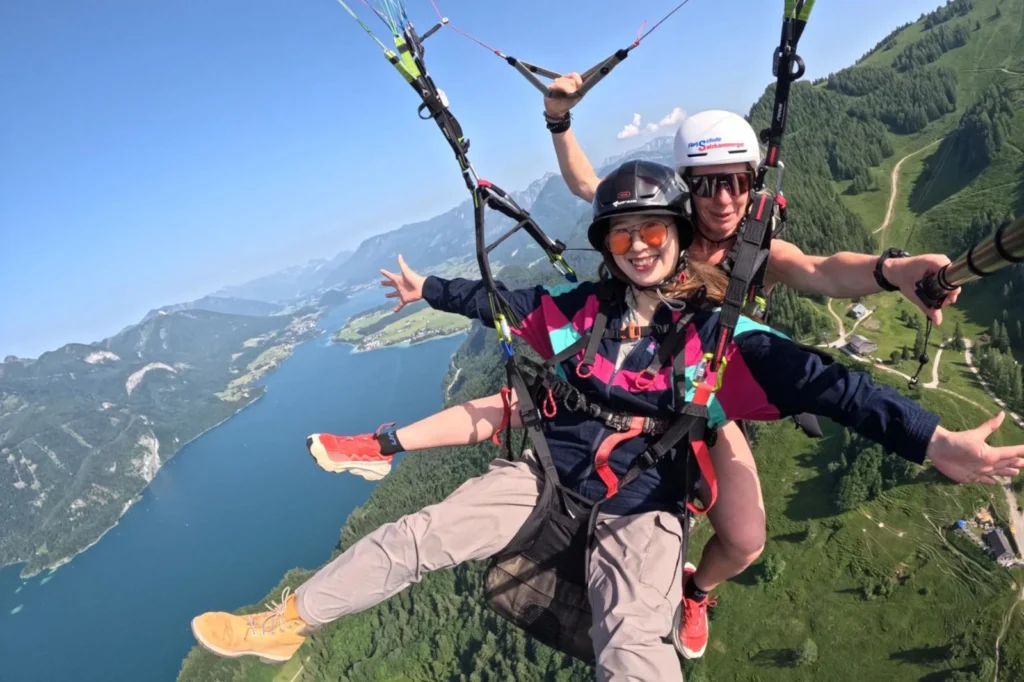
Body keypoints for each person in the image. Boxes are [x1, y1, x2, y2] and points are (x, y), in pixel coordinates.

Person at [190, 161, 1022, 681]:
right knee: (422, 534)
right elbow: (497, 301)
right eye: (623, 237)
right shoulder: (576, 315)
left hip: (645, 499)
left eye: (652, 230)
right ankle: (290, 623)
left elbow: (830, 385)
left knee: (633, 650)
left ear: (676, 237)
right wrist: (427, 291)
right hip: (547, 476)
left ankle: (693, 598)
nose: (639, 246)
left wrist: (934, 441)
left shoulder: (714, 338)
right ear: (609, 249)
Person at [542, 77, 963, 657]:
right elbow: (586, 183)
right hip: (631, 389)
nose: (724, 199)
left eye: (737, 182)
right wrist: (558, 119)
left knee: (744, 542)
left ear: (751, 183)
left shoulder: (755, 250)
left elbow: (821, 271)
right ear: (685, 188)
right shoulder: (655, 221)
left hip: (703, 400)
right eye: (707, 184)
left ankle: (695, 590)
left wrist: (892, 269)